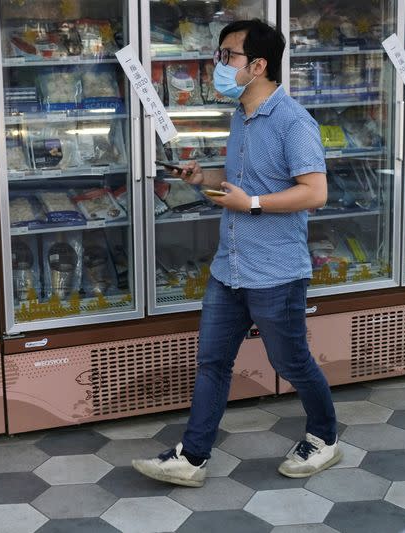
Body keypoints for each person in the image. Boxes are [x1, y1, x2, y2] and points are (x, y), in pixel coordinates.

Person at [132, 19, 340, 488]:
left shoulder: (293, 121)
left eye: (228, 56)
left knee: (291, 363)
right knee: (212, 362)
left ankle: (324, 436)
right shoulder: (241, 117)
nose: (218, 65)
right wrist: (202, 177)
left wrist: (253, 204)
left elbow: (315, 192)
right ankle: (193, 456)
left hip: (276, 271)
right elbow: (244, 180)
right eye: (219, 55)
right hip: (230, 267)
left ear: (259, 65)